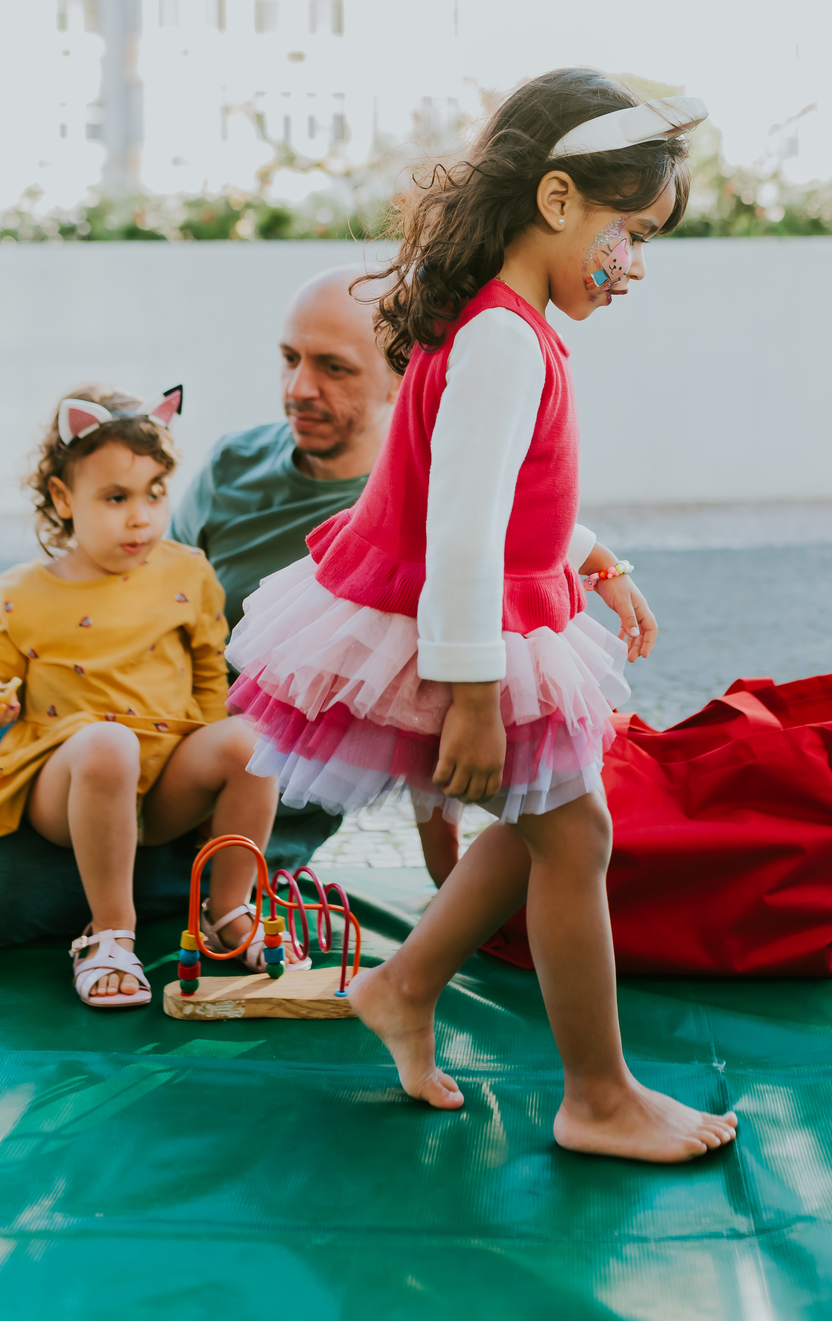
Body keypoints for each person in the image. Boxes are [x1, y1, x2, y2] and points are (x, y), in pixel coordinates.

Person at [226, 67, 739, 1161]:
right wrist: (467, 698)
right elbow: (459, 528)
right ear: (558, 202)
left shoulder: (507, 325)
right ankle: (595, 1095)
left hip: (476, 621)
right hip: (452, 633)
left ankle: (404, 985)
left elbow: (511, 502)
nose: (635, 265)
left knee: (551, 820)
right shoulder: (506, 338)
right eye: (630, 233)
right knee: (578, 829)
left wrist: (594, 555)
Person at [0, 266, 462, 887]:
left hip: (247, 777)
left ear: (403, 375)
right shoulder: (237, 460)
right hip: (105, 713)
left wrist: (450, 874)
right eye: (288, 358)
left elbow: (435, 704)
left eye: (334, 368)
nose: (298, 387)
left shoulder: (426, 515)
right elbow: (130, 602)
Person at [0, 385, 279, 1006]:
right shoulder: (25, 592)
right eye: (116, 497)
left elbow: (210, 676)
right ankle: (110, 933)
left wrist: (220, 753)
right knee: (108, 743)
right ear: (63, 499)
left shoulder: (186, 571)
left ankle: (229, 907)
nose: (141, 517)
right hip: (69, 776)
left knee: (250, 740)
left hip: (165, 778)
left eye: (155, 493)